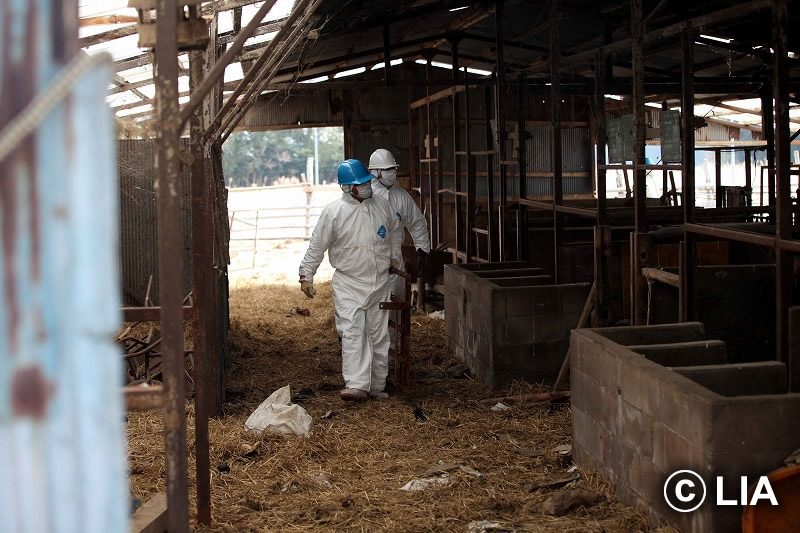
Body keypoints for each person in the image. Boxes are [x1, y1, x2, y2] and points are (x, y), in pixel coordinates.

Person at [299, 159, 399, 401]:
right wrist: (306, 274)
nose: (365, 187)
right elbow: (317, 245)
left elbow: (395, 232)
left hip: (380, 282)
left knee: (378, 334)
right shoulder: (334, 212)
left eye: (366, 182)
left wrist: (396, 260)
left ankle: (376, 385)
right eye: (359, 184)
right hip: (349, 283)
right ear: (347, 188)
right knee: (353, 332)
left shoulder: (382, 205)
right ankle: (356, 385)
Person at [368, 148, 431, 344]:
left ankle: (391, 358)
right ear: (376, 172)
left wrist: (422, 251)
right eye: (387, 169)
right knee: (372, 309)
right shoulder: (366, 196)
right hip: (370, 260)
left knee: (395, 309)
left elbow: (417, 222)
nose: (392, 173)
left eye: (393, 169)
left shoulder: (401, 197)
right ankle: (370, 359)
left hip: (396, 259)